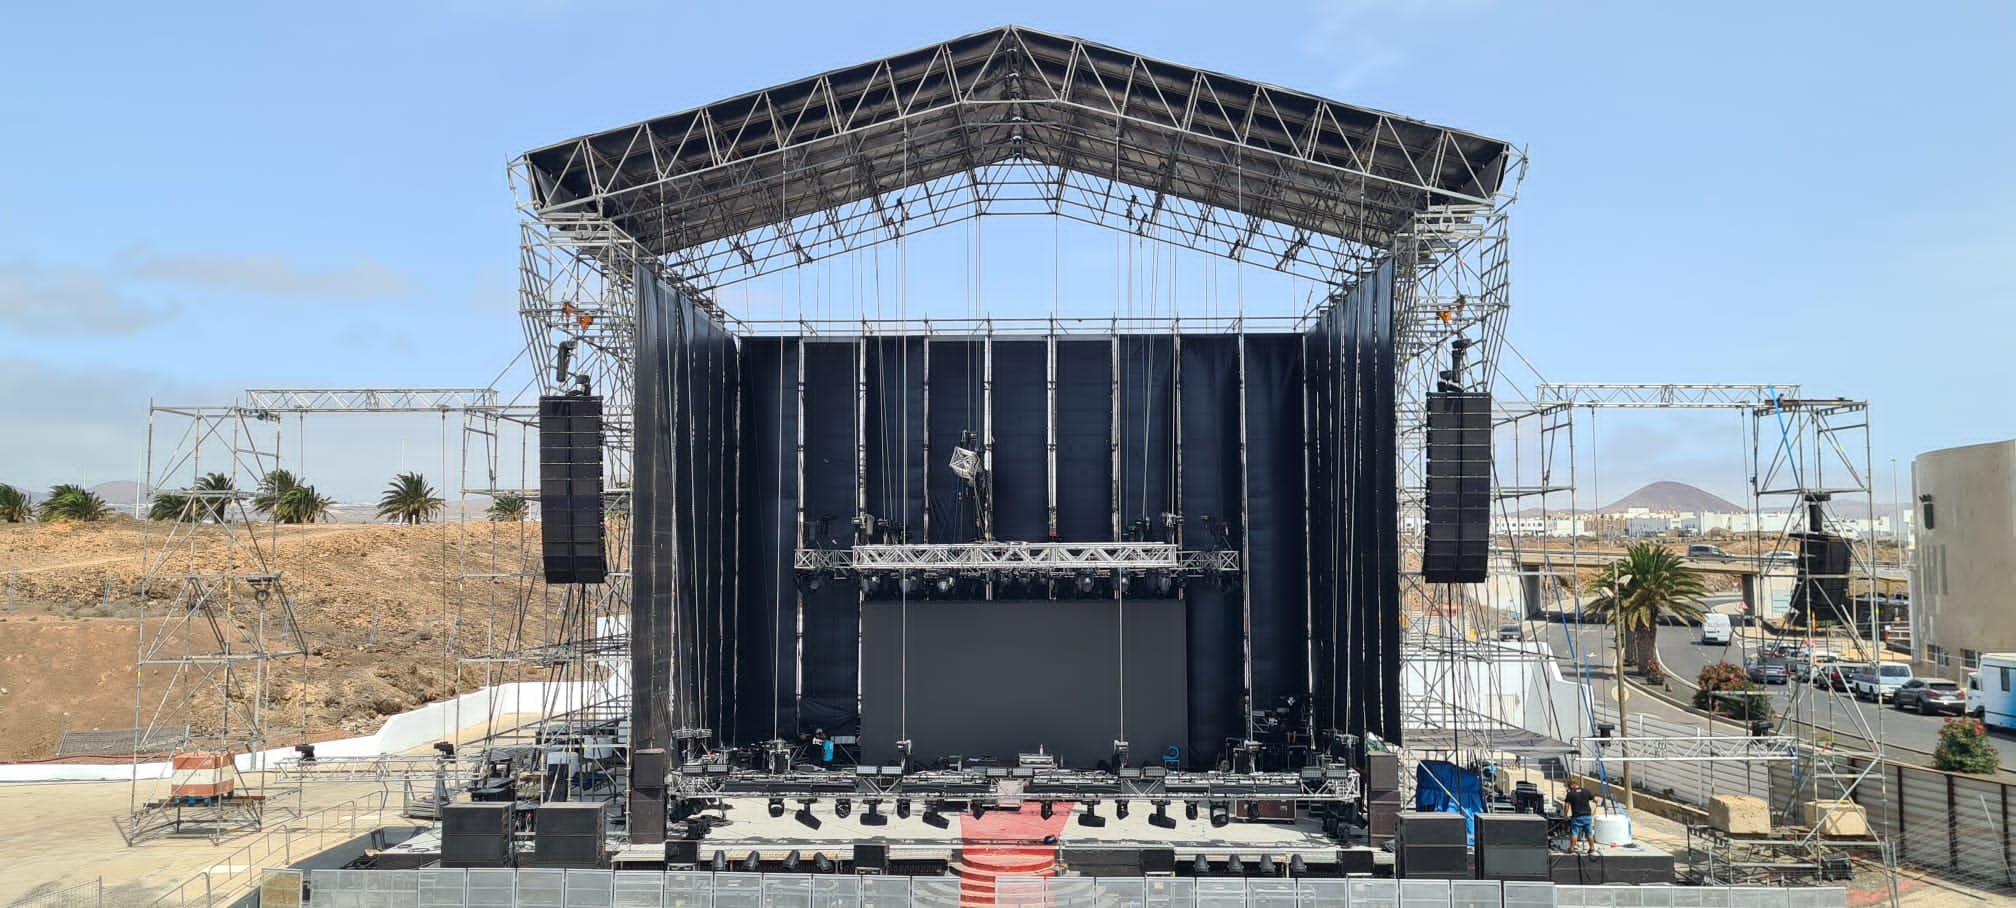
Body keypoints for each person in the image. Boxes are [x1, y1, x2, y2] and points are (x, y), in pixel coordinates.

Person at [1562, 779, 1597, 855]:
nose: (1569, 788)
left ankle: (1571, 848)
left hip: (1577, 817)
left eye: (1569, 787)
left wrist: (1565, 815)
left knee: (1575, 833)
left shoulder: (1570, 794)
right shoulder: (1586, 791)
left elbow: (1566, 805)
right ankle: (1592, 848)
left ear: (1572, 785)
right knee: (1589, 833)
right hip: (1587, 816)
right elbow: (1595, 799)